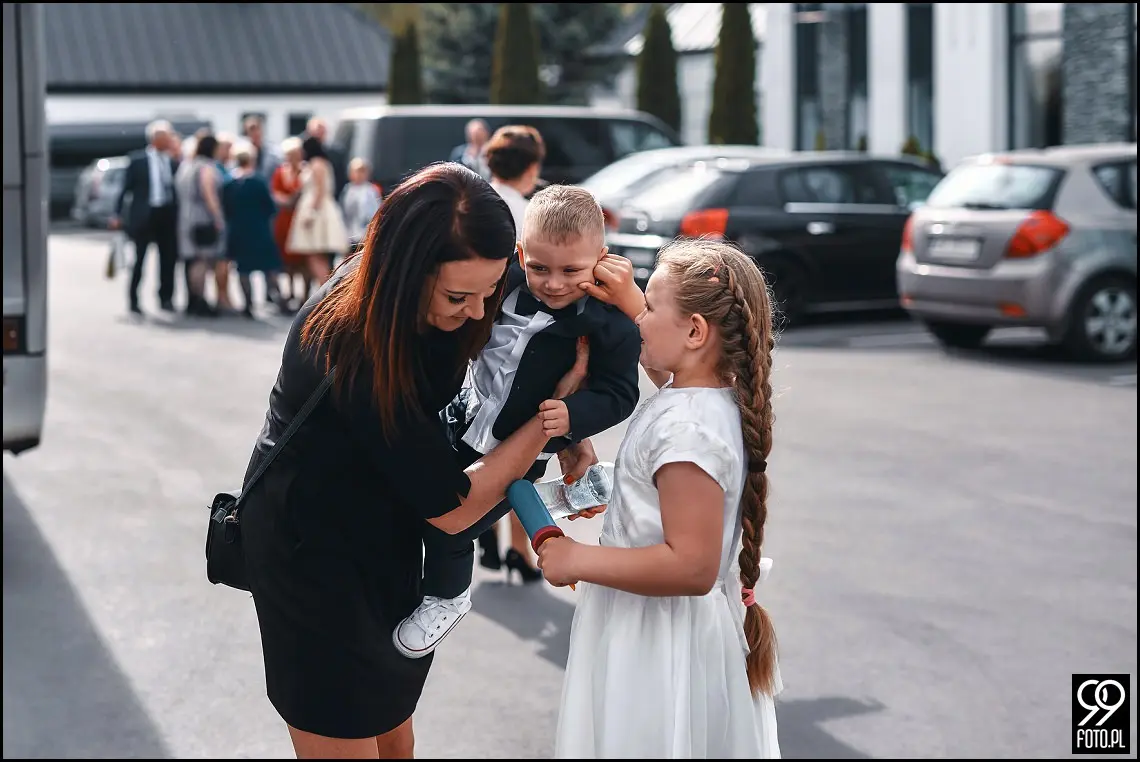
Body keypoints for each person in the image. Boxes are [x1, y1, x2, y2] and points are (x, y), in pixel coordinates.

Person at [238, 161, 601, 759]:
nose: (480, 312)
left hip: (390, 536)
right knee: (347, 728)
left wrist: (572, 431)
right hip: (314, 558)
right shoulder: (351, 351)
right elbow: (453, 512)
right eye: (458, 297)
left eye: (491, 292)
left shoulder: (467, 276)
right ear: (404, 276)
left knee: (393, 724)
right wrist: (549, 421)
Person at [538, 239, 783, 759]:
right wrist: (632, 298)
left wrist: (576, 556)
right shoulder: (704, 395)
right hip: (658, 629)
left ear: (695, 332)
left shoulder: (687, 429)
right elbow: (671, 358)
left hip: (658, 644)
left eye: (650, 307)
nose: (638, 319)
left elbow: (692, 567)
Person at [392, 184, 642, 660]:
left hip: (520, 450)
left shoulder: (607, 323)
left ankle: (448, 596)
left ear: (601, 259)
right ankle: (409, 581)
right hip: (461, 416)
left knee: (453, 526)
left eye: (572, 270)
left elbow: (619, 393)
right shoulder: (504, 282)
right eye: (539, 267)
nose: (553, 283)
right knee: (418, 495)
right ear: (520, 253)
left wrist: (573, 418)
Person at [111, 119, 179, 315]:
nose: (169, 142)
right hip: (144, 216)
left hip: (166, 215)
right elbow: (124, 189)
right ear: (156, 139)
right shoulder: (138, 161)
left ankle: (166, 297)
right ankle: (133, 300)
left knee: (168, 260)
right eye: (166, 138)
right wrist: (116, 214)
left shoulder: (172, 162)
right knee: (139, 260)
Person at [222, 142, 286, 317]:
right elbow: (270, 207)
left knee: (243, 269)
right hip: (259, 230)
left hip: (238, 230)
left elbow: (226, 209)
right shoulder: (258, 182)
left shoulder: (229, 183)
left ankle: (248, 304)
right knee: (270, 267)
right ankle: (281, 301)